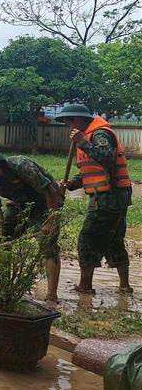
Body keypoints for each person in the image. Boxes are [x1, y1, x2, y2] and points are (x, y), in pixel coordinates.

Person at [0, 141, 64, 302]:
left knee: (48, 245)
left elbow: (49, 191)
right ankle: (6, 283)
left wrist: (51, 219)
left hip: (45, 201)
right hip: (20, 203)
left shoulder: (20, 165)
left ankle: (51, 295)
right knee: (4, 239)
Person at [56, 104, 133, 294]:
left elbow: (106, 159)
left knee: (88, 238)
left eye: (69, 120)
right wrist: (73, 183)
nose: (67, 125)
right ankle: (125, 286)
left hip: (109, 197)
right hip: (113, 195)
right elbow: (93, 169)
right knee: (114, 239)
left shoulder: (99, 135)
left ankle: (85, 287)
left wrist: (83, 142)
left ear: (79, 119)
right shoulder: (91, 136)